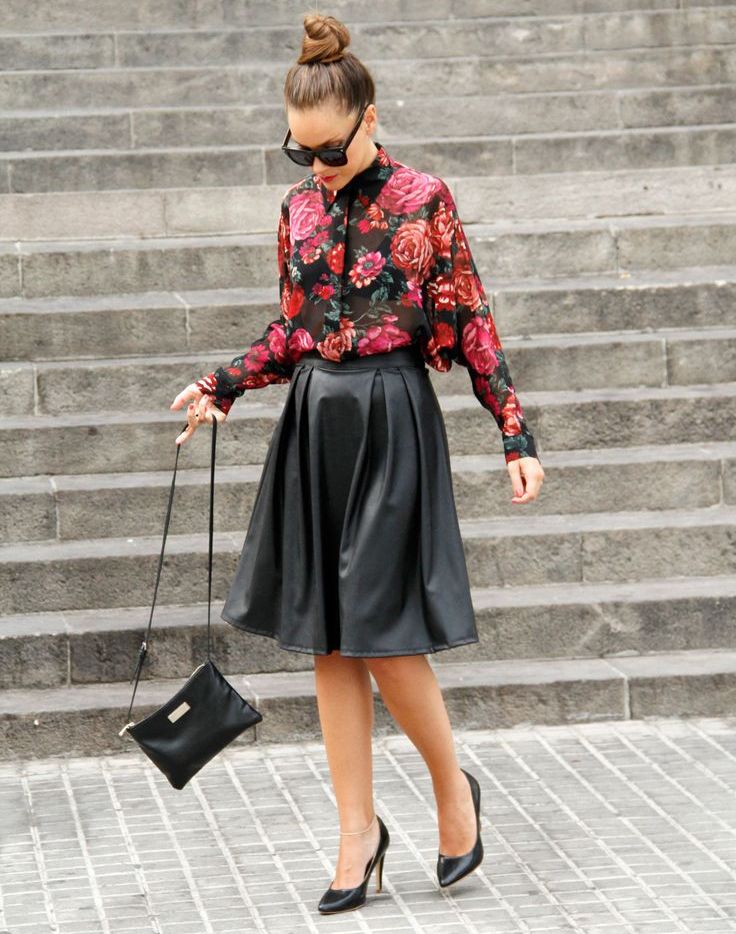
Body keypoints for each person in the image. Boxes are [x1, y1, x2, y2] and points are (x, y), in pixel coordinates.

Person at [171, 11, 544, 916]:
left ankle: (453, 792)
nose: (317, 167)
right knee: (329, 639)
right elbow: (293, 326)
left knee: (382, 633)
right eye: (299, 153)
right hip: (317, 421)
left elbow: (471, 317)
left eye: (330, 150)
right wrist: (223, 384)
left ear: (370, 118)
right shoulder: (297, 208)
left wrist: (514, 431)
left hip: (392, 418)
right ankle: (357, 832)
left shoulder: (424, 199)